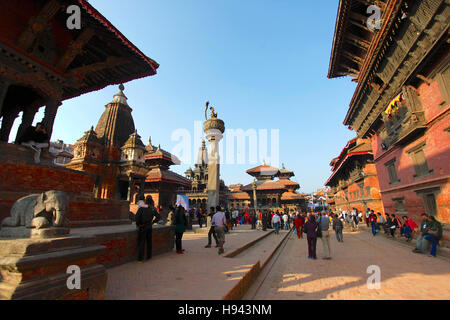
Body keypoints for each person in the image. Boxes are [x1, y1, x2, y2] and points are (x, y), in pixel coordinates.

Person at [135, 196, 160, 262]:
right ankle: (149, 256)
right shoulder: (152, 208)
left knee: (142, 242)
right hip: (149, 226)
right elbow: (158, 217)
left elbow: (137, 217)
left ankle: (140, 259)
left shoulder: (142, 208)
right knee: (149, 242)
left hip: (142, 226)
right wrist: (153, 222)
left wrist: (138, 224)